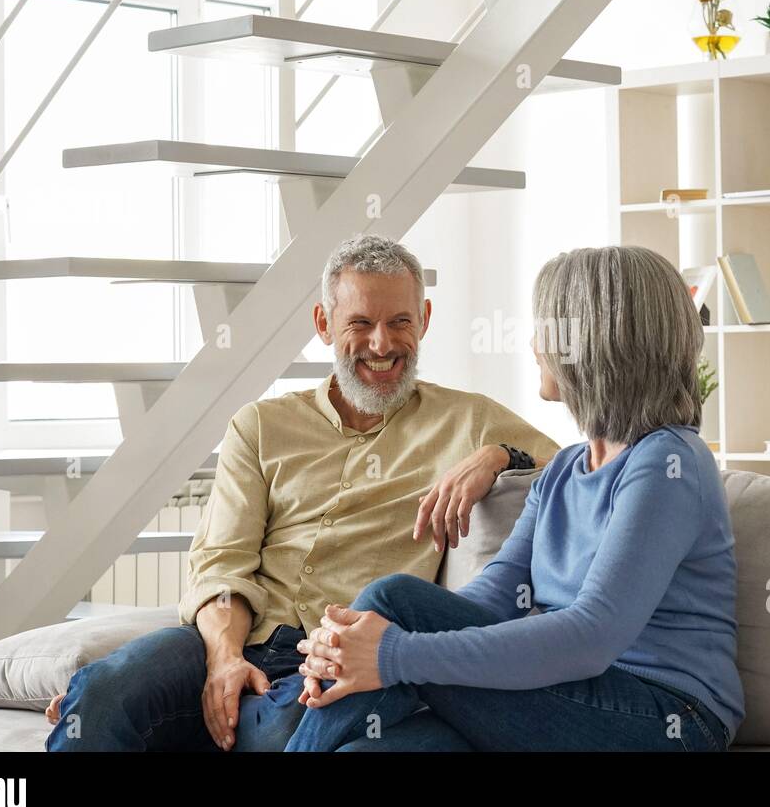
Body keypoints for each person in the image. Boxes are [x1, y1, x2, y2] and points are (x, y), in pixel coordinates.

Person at [44, 235, 557, 751]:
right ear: (324, 325)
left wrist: (500, 456)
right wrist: (224, 659)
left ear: (423, 319)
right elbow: (223, 564)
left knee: (280, 730)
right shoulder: (261, 426)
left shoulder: (467, 420)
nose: (382, 344)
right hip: (230, 640)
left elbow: (586, 462)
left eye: (399, 321)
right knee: (105, 693)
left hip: (332, 658)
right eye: (360, 323)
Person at [285, 245, 745, 752]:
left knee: (395, 600)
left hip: (666, 716)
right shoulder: (565, 470)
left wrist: (395, 653)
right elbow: (489, 600)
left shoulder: (667, 463)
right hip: (560, 703)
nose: (531, 344)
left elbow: (590, 636)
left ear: (592, 342)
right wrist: (344, 651)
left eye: (543, 328)